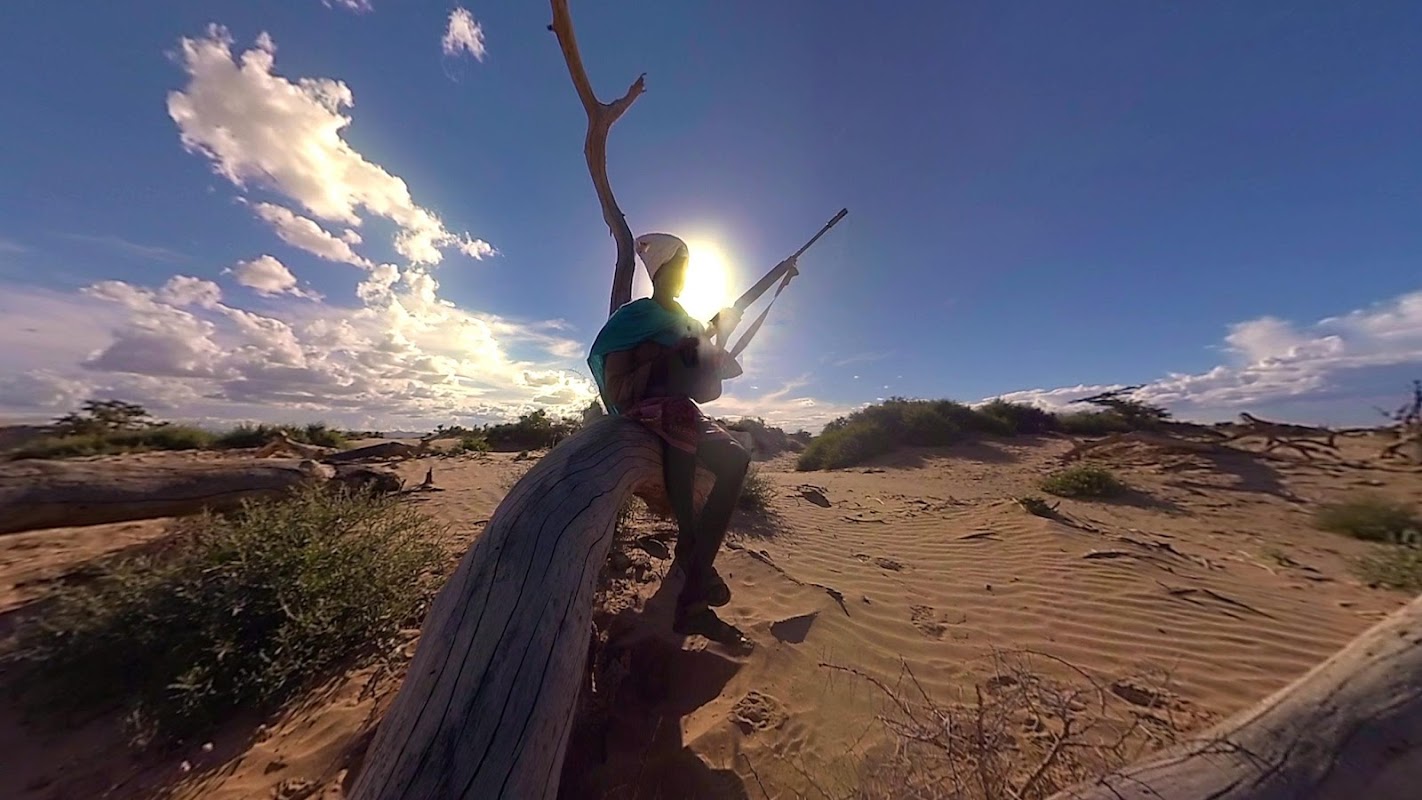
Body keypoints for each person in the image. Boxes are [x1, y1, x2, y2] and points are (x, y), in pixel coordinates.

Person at [588, 233, 769, 640]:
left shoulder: (685, 320)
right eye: (677, 268)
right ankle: (694, 579)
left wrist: (719, 333)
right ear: (659, 271)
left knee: (735, 460)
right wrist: (673, 353)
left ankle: (694, 569)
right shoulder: (635, 316)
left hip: (683, 408)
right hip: (646, 407)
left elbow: (703, 370)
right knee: (682, 429)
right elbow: (619, 384)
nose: (683, 276)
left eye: (687, 269)